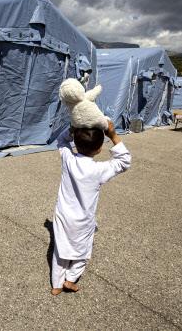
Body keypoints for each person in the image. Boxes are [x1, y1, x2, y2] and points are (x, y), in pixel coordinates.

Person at [51, 120, 131, 295]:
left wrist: (71, 128)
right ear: (99, 149)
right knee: (83, 253)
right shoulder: (99, 169)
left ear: (76, 143)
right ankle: (70, 280)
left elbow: (61, 141)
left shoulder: (68, 160)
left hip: (63, 217)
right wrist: (113, 135)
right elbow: (124, 161)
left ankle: (56, 285)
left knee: (60, 251)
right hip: (83, 222)